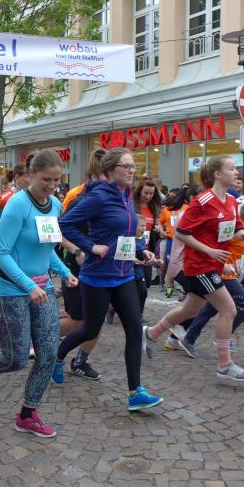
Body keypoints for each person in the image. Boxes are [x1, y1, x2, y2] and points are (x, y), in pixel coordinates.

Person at [0, 149, 77, 439]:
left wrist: (65, 272)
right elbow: (1, 253)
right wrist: (29, 286)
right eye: (46, 179)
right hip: (10, 291)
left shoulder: (55, 204)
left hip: (42, 289)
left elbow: (47, 247)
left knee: (48, 354)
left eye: (57, 180)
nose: (52, 186)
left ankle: (27, 415)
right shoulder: (17, 205)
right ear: (31, 175)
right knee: (14, 359)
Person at [54, 148, 163, 410]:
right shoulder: (98, 196)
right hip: (98, 276)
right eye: (126, 166)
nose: (132, 170)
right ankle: (57, 356)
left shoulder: (126, 196)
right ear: (111, 170)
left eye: (133, 166)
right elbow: (65, 225)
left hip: (124, 275)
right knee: (90, 330)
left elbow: (124, 234)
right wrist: (89, 247)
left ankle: (135, 393)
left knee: (134, 330)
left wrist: (141, 250)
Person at [143, 155, 244, 381]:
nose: (237, 172)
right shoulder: (203, 201)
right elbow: (181, 233)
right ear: (218, 174)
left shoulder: (232, 201)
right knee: (229, 310)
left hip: (215, 264)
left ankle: (151, 333)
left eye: (236, 169)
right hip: (200, 265)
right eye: (231, 168)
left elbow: (234, 231)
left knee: (190, 310)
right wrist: (210, 251)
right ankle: (224, 365)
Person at [173, 201, 244, 358]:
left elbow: (243, 255)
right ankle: (224, 337)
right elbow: (217, 245)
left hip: (230, 274)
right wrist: (223, 263)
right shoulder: (235, 231)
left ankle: (188, 339)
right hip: (221, 273)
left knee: (211, 308)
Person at [57, 149, 106, 380]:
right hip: (76, 268)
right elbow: (60, 231)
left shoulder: (114, 201)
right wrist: (78, 251)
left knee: (96, 320)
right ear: (97, 173)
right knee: (78, 320)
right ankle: (42, 338)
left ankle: (80, 361)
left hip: (103, 270)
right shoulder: (79, 199)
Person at [133, 178, 162, 287]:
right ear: (139, 191)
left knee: (147, 284)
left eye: (151, 193)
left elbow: (153, 227)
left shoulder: (153, 207)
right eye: (146, 193)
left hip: (147, 249)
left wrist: (157, 228)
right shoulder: (132, 206)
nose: (148, 196)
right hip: (133, 248)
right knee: (136, 284)